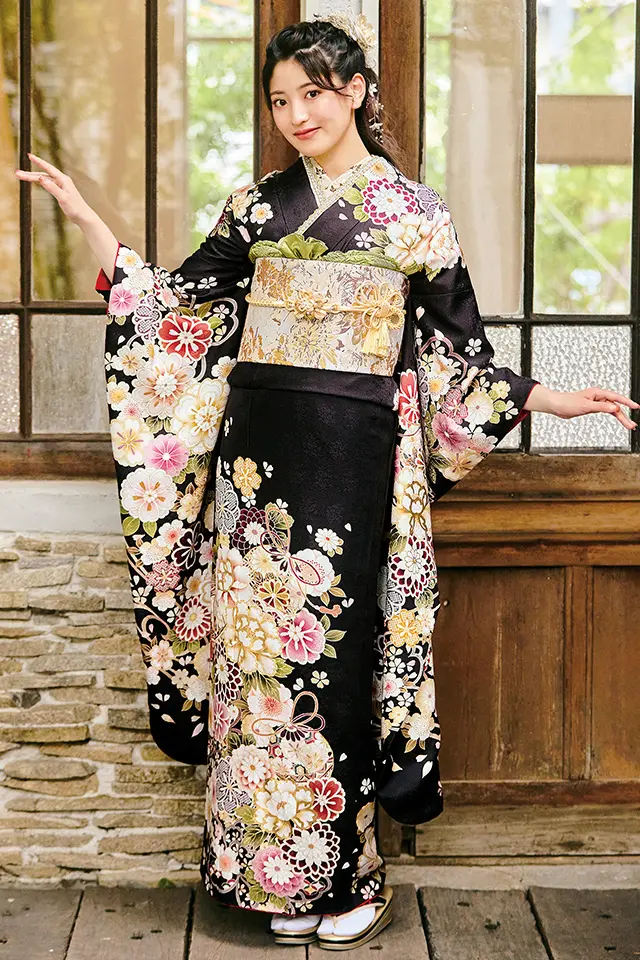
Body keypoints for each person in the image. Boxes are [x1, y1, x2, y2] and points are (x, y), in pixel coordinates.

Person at [16, 12, 638, 951]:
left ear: (355, 91)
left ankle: (354, 874)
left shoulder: (415, 215)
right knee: (258, 669)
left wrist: (554, 398)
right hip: (257, 473)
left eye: (312, 93)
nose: (296, 114)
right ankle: (266, 874)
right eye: (280, 100)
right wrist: (91, 224)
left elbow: (461, 359)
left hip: (355, 466)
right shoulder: (257, 208)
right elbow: (173, 313)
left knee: (339, 670)